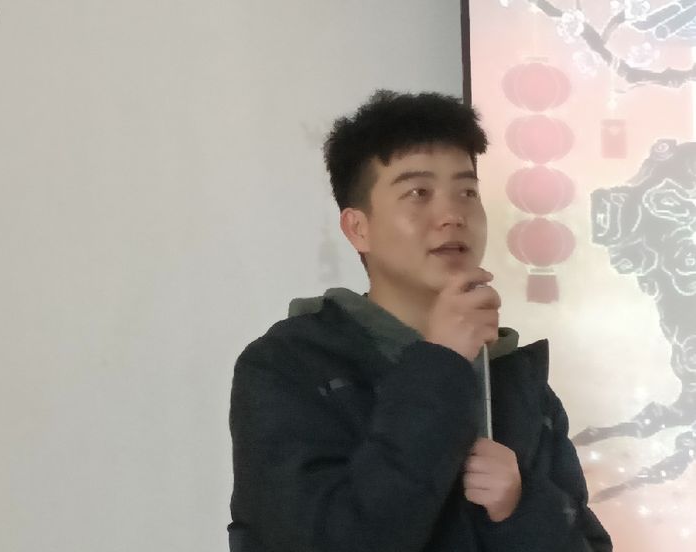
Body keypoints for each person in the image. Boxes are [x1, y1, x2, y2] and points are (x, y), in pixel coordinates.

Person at [227, 90, 613, 552]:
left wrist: (521, 508)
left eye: (467, 192)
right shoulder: (288, 366)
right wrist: (441, 362)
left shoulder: (516, 379)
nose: (452, 215)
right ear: (358, 228)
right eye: (418, 193)